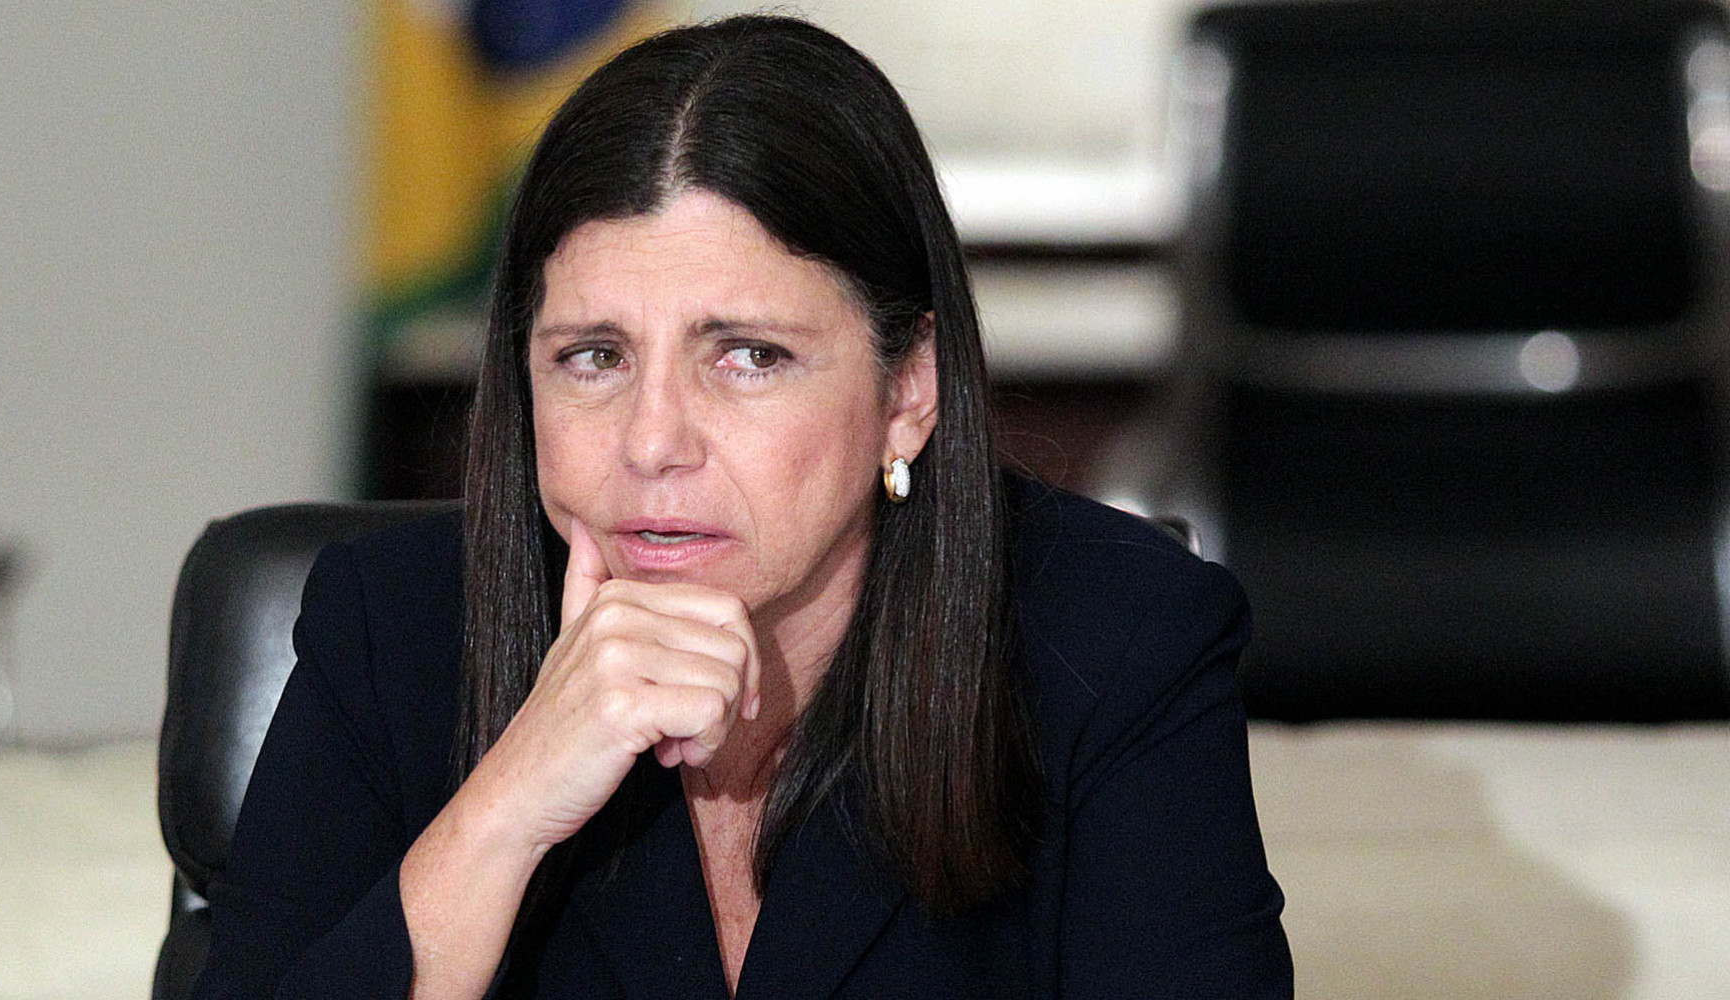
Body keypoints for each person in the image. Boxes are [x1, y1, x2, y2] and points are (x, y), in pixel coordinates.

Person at [192, 14, 1291, 1000]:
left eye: (748, 357)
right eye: (592, 356)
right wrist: (509, 804)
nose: (652, 442)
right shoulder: (393, 632)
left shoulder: (1114, 645)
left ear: (908, 391)